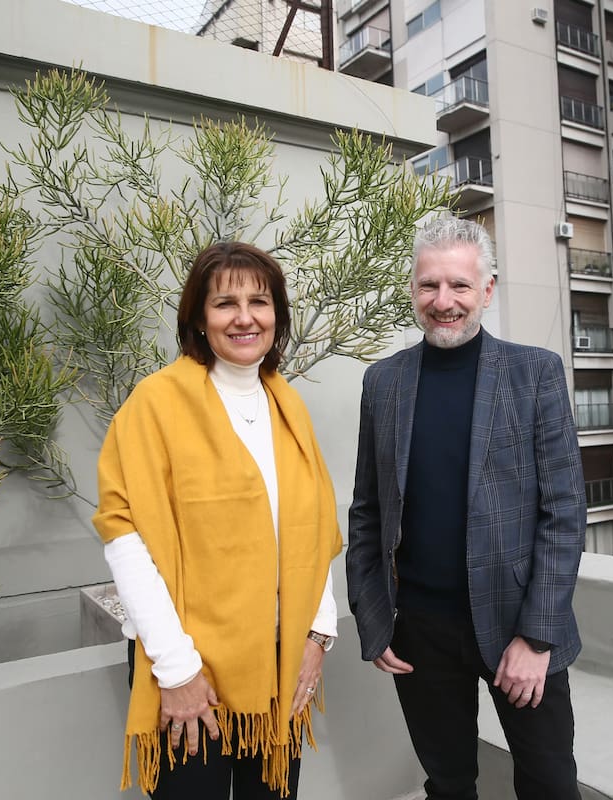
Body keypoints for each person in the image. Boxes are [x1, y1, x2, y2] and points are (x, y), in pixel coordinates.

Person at [346, 216, 587, 800]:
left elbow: (564, 513)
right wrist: (374, 618)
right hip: (419, 631)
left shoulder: (535, 373)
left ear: (487, 290)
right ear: (413, 290)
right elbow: (368, 511)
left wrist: (537, 638)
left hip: (517, 628)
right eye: (429, 285)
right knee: (449, 785)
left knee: (551, 785)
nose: (443, 300)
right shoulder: (383, 383)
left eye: (459, 284)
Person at [93, 242, 342, 799]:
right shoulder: (155, 405)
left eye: (260, 302)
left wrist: (317, 635)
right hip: (188, 668)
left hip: (278, 661)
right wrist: (177, 672)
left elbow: (314, 529)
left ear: (277, 315)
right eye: (225, 303)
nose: (244, 317)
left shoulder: (288, 406)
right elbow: (126, 539)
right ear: (199, 318)